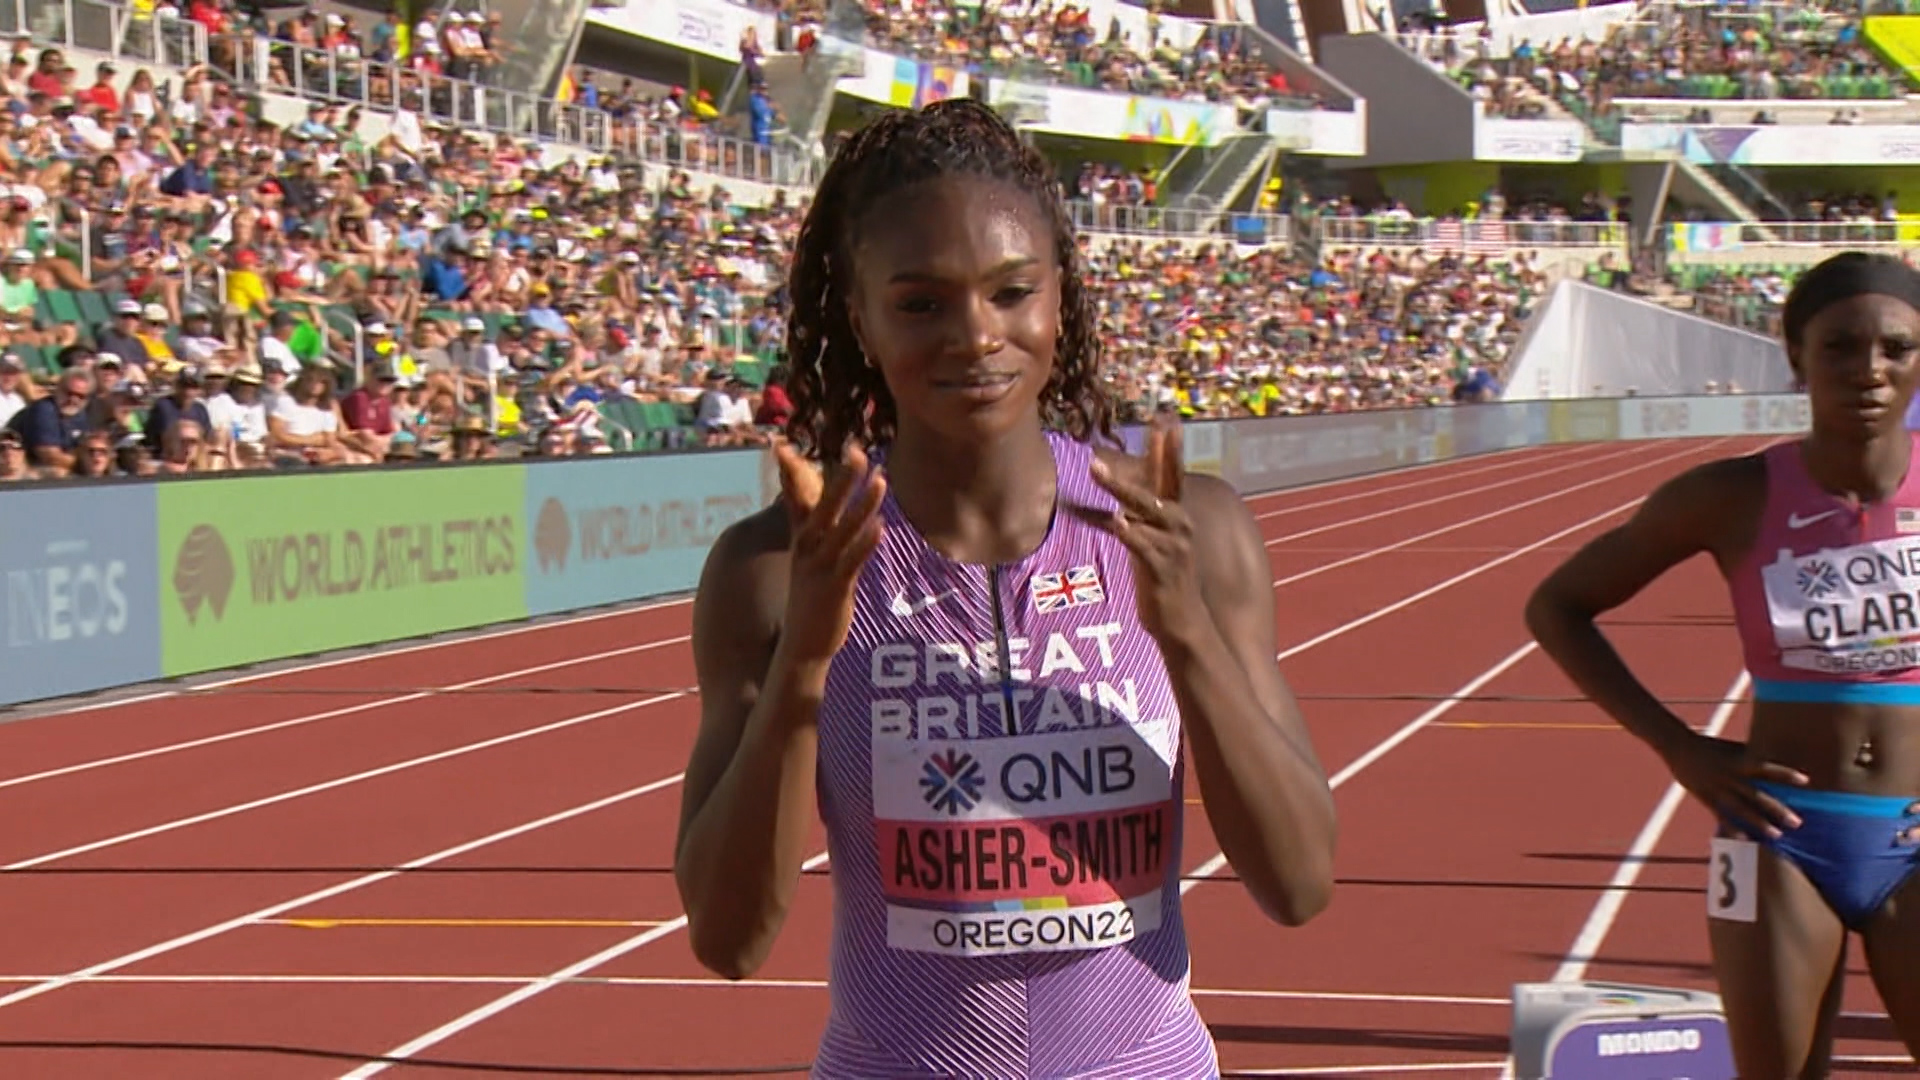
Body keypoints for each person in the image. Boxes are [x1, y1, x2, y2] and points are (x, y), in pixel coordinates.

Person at [673, 99, 1337, 1079]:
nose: (975, 336)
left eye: (1011, 290)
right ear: (859, 316)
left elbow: (1299, 883)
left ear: (1059, 298)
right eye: (921, 302)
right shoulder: (775, 570)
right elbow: (729, 942)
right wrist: (805, 668)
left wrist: (1187, 637)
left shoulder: (1189, 530)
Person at [1527, 250, 1920, 1078]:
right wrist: (1678, 747)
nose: (1870, 370)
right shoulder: (1729, 496)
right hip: (1777, 839)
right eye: (1841, 347)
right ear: (1796, 356)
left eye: (1896, 348)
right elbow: (1557, 606)